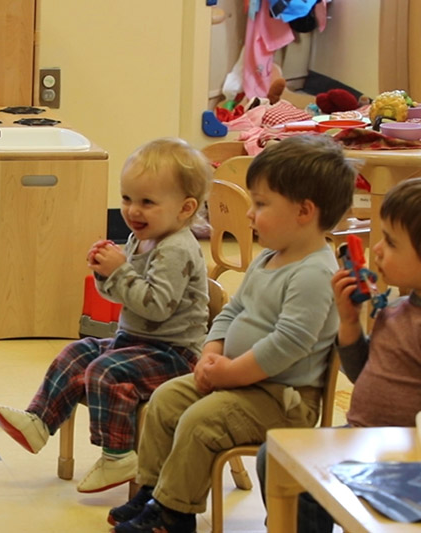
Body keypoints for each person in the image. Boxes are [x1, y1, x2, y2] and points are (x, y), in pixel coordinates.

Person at [108, 134, 356, 533]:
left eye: (260, 204)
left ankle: (174, 513)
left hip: (283, 399)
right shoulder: (270, 259)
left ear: (304, 211)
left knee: (200, 421)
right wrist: (212, 351)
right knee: (165, 400)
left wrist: (228, 373)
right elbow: (234, 310)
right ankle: (153, 491)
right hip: (239, 383)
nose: (249, 215)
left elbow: (286, 346)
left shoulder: (314, 273)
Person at [0, 137, 212, 493]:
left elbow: (156, 306)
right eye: (126, 199)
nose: (132, 211)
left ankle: (118, 456)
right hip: (136, 342)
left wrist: (121, 271)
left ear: (185, 209)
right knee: (75, 353)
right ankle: (39, 422)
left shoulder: (176, 249)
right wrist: (106, 273)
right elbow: (118, 296)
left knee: (106, 371)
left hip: (174, 354)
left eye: (147, 202)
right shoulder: (144, 237)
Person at [254, 177, 421, 533]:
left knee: (308, 486)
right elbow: (363, 374)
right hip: (363, 436)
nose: (376, 250)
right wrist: (349, 323)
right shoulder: (397, 309)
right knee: (277, 457)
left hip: (402, 455)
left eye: (391, 242)